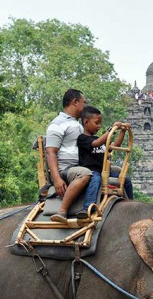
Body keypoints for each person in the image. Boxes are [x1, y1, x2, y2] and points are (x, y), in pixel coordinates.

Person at [76, 106, 134, 218]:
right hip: (91, 171)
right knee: (96, 179)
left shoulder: (100, 140)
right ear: (86, 122)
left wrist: (122, 131)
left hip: (104, 171)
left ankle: (131, 204)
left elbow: (115, 145)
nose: (99, 126)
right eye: (97, 123)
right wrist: (111, 130)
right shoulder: (82, 139)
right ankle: (87, 207)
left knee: (126, 180)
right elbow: (96, 143)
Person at [45, 89, 93, 223]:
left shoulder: (77, 124)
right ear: (75, 102)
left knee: (117, 173)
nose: (85, 106)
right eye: (84, 103)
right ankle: (62, 211)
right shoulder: (57, 124)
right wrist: (57, 179)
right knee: (84, 174)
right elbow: (51, 152)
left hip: (80, 166)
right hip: (66, 169)